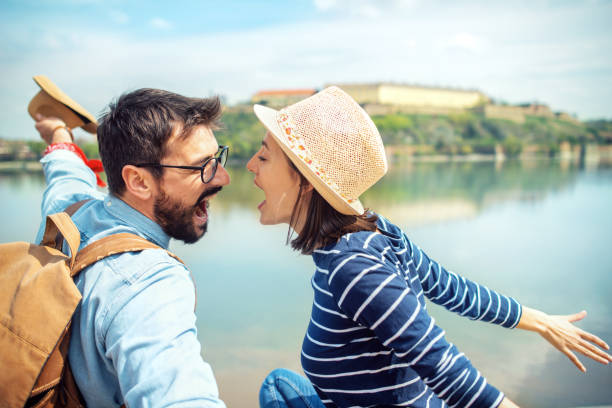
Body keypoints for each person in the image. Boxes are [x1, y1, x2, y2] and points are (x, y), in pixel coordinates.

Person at [246, 86, 611, 408]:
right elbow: (452, 289)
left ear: (307, 182)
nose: (249, 166)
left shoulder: (353, 269)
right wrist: (540, 322)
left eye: (263, 156)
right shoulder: (378, 233)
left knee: (277, 390)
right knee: (279, 385)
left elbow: (443, 367)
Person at [33, 88, 230, 407]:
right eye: (202, 166)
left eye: (217, 157)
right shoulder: (146, 280)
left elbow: (65, 174)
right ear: (138, 181)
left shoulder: (67, 213)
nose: (223, 177)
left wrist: (59, 133)